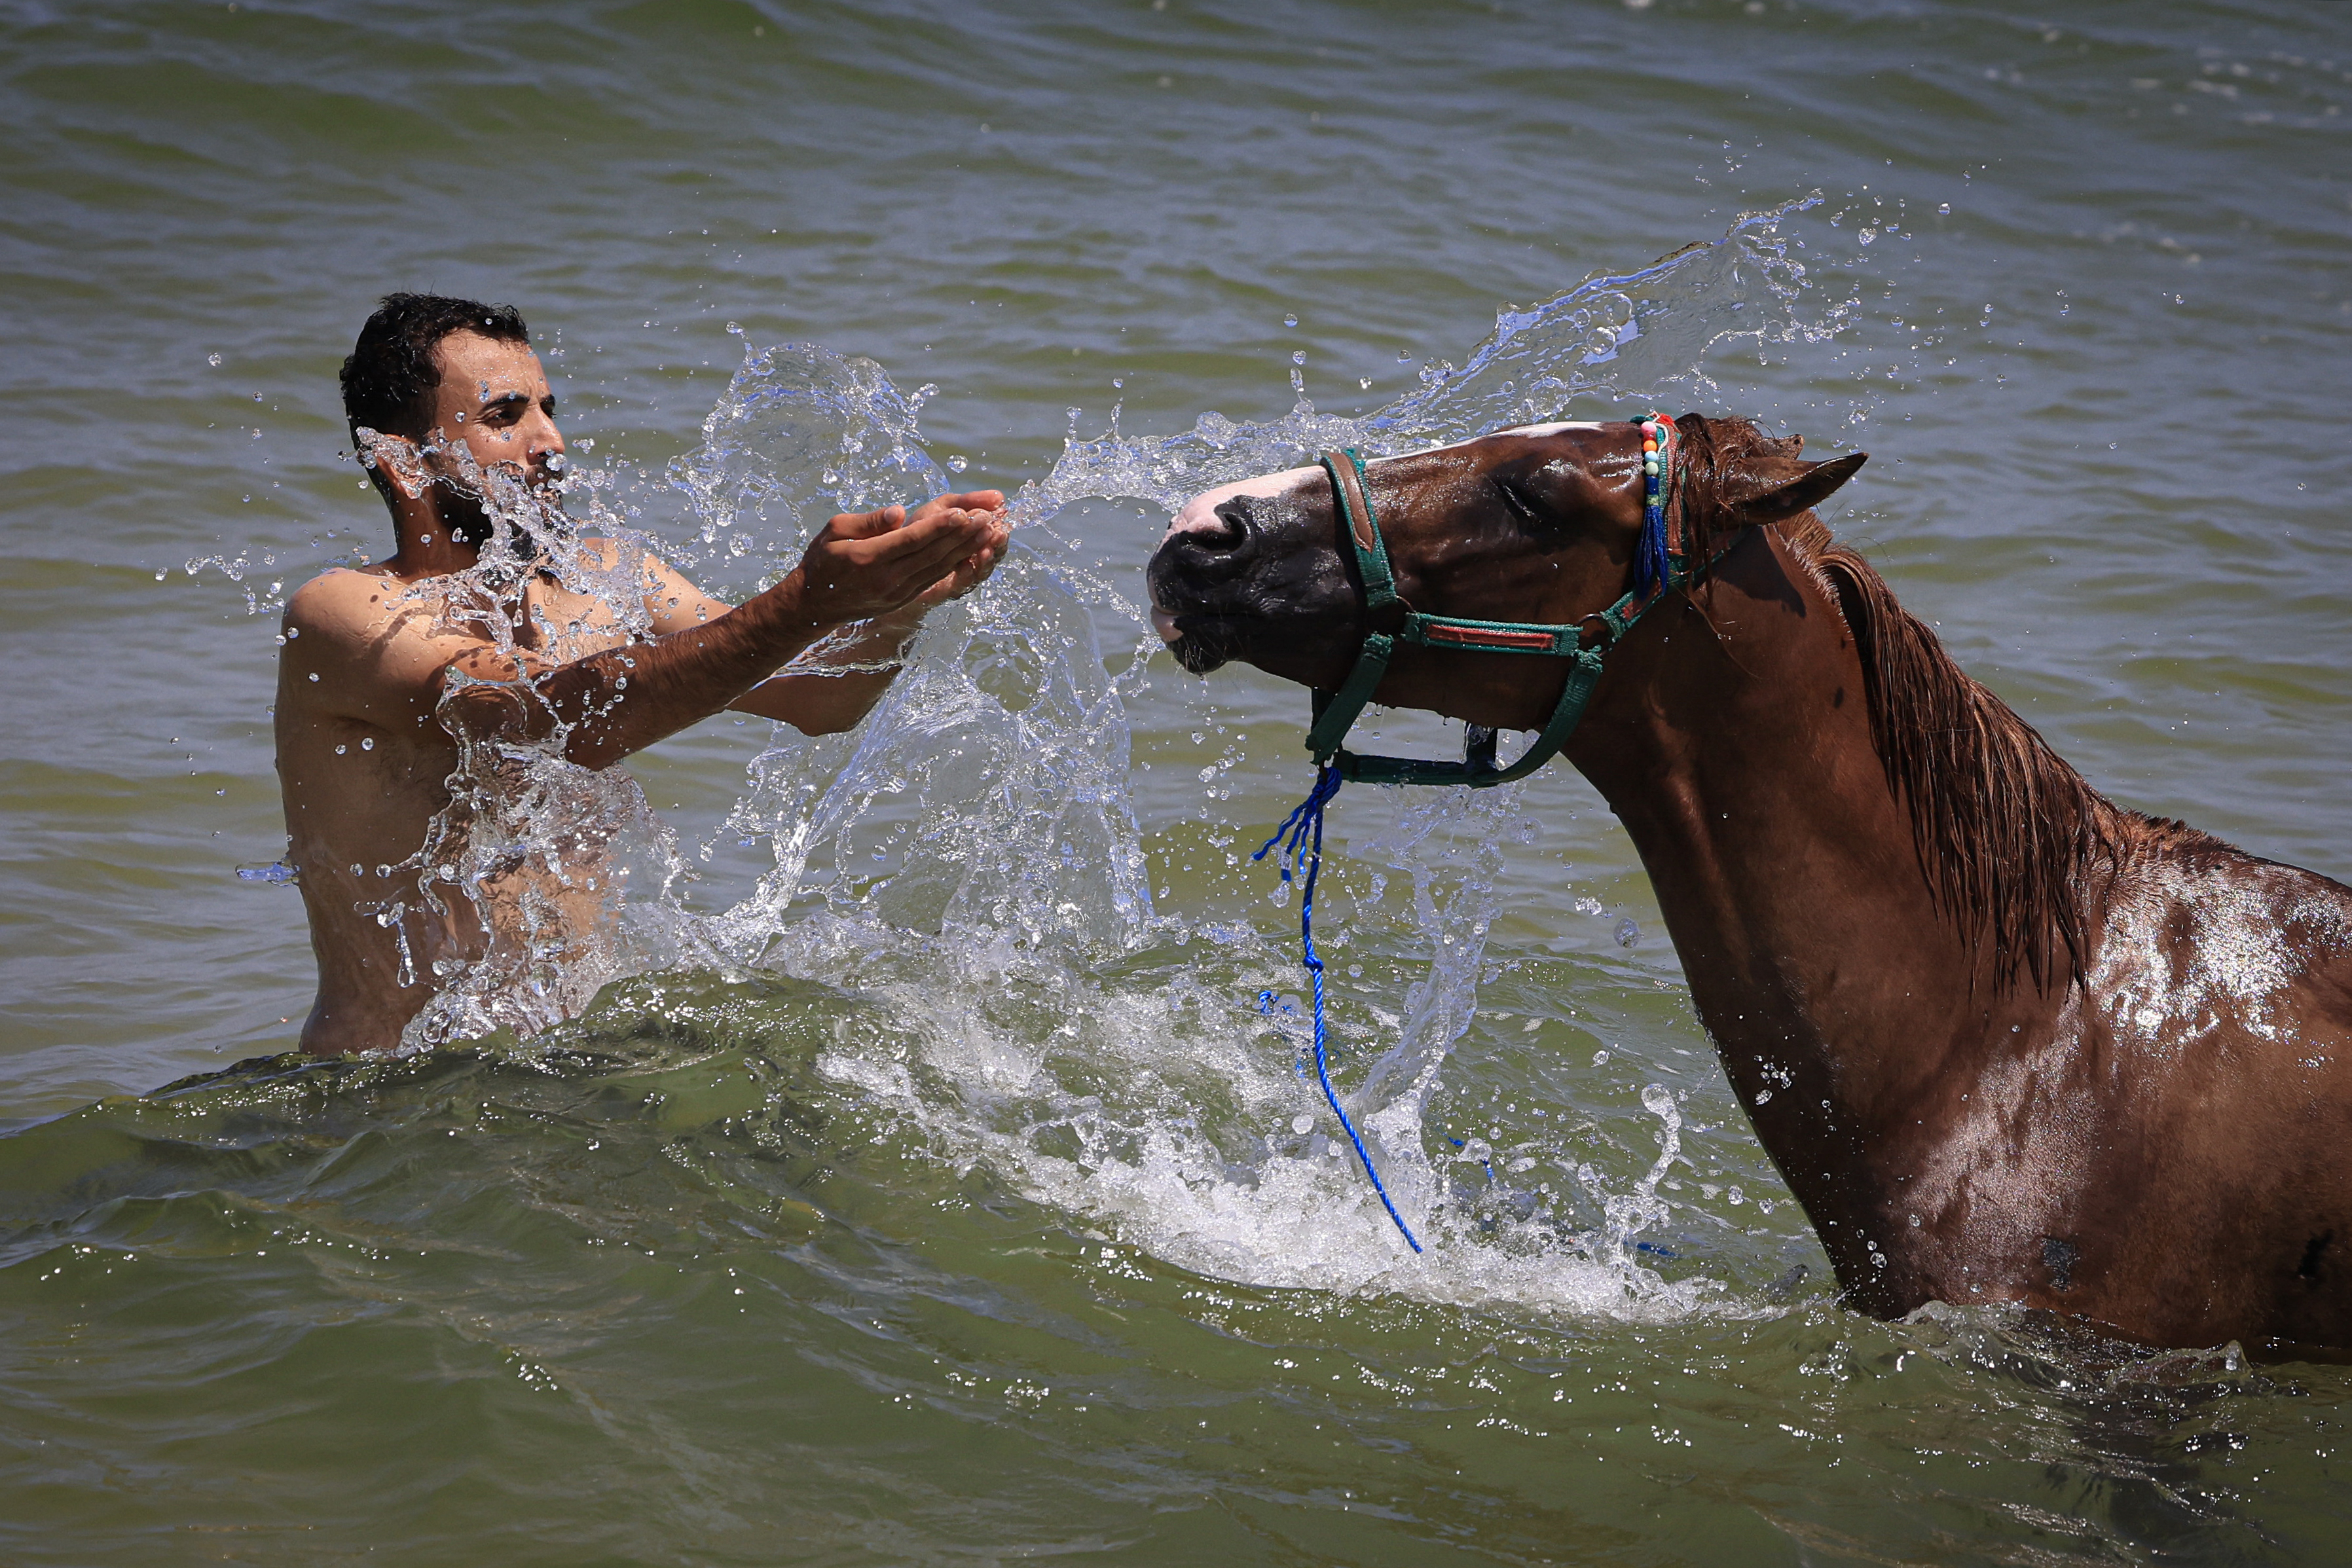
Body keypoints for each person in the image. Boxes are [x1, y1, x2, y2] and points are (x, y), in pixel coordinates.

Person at [276, 293, 1007, 1056]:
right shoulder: (348, 614)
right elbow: (552, 718)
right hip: (394, 1083)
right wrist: (806, 601)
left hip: (567, 1065)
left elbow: (821, 695)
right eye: (504, 416)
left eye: (548, 410)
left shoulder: (607, 580)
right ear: (402, 459)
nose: (550, 442)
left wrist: (897, 605)